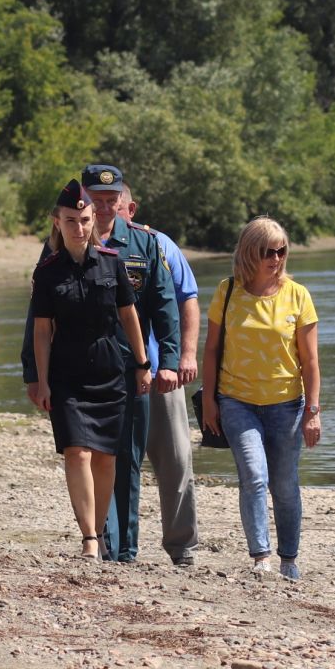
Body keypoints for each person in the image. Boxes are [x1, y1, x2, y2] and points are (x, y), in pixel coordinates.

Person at [21, 164, 179, 562]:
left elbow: (145, 311)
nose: (80, 225)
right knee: (77, 452)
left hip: (114, 369)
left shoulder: (123, 255)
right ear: (59, 221)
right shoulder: (48, 268)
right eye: (72, 219)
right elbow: (38, 328)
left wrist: (150, 363)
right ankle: (92, 537)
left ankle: (118, 543)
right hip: (68, 372)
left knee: (113, 457)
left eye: (86, 218)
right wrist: (38, 378)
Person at [200, 217, 322, 580]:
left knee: (284, 485)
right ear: (250, 252)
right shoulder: (227, 291)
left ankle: (288, 559)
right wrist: (210, 401)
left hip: (287, 404)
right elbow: (210, 351)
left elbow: (311, 360)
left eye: (282, 250)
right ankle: (261, 557)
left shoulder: (297, 295)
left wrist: (313, 411)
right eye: (268, 251)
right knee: (254, 475)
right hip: (237, 401)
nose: (276, 258)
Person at [124, 186, 200, 566]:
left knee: (176, 460)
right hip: (110, 378)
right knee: (117, 463)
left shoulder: (160, 245)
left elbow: (187, 298)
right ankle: (118, 546)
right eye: (95, 202)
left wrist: (186, 355)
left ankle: (182, 546)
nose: (103, 211)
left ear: (130, 208)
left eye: (113, 204)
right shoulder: (78, 243)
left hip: (161, 375)